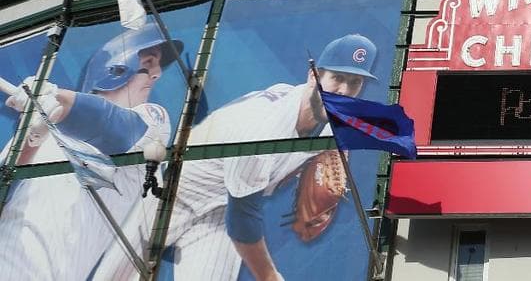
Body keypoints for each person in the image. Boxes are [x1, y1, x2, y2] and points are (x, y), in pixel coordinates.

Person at [94, 34, 378, 281]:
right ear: (313, 74)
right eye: (337, 78)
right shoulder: (264, 125)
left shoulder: (331, 123)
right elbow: (243, 218)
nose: (343, 90)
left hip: (220, 208)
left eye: (354, 83)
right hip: (177, 190)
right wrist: (269, 276)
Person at [0, 22, 181, 281]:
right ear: (118, 65)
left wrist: (53, 99)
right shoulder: (35, 127)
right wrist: (31, 138)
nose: (157, 74)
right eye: (150, 62)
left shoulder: (152, 120)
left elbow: (113, 126)